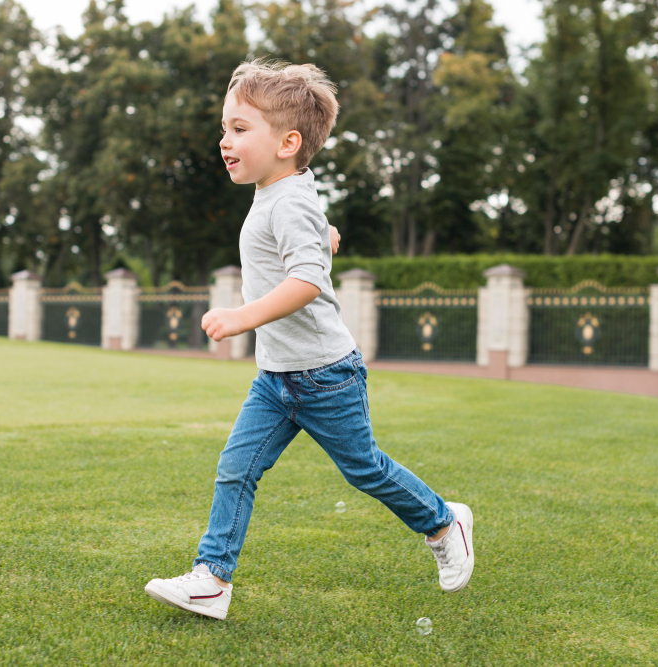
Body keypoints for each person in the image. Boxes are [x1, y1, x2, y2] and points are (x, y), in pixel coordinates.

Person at [144, 59, 473, 621]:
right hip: (275, 379)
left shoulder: (288, 199)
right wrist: (324, 234)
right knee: (236, 468)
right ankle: (212, 579)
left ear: (288, 143)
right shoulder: (282, 192)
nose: (224, 141)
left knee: (364, 469)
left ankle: (444, 522)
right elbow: (302, 233)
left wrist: (242, 317)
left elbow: (306, 282)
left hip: (324, 376)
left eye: (239, 129)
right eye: (224, 128)